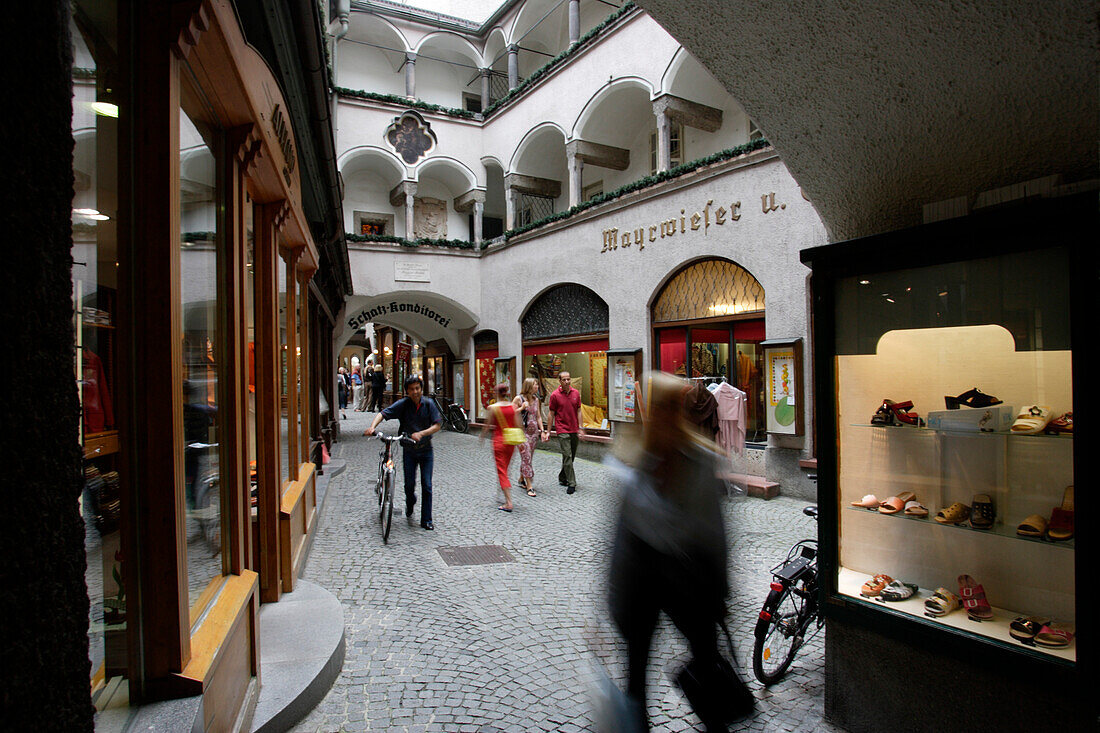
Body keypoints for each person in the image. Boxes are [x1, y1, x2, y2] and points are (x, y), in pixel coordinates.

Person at [608, 371, 740, 731]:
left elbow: (716, 532)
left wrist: (720, 588)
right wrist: (616, 597)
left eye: (671, 405)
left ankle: (717, 723)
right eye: (659, 406)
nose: (665, 413)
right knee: (636, 670)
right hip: (642, 580)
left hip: (690, 577)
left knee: (707, 661)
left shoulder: (700, 459)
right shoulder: (632, 460)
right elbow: (620, 535)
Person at [364, 375, 442, 529]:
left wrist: (422, 434)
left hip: (426, 450)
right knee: (409, 485)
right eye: (412, 389)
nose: (415, 392)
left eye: (417, 388)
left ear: (421, 389)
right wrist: (372, 427)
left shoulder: (429, 404)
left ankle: (427, 520)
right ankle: (410, 502)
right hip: (409, 451)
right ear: (407, 391)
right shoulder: (403, 404)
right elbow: (383, 414)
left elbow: (437, 425)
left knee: (427, 485)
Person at [548, 370, 584, 494]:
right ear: (560, 381)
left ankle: (562, 477)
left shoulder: (576, 393)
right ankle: (572, 483)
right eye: (564, 379)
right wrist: (548, 430)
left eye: (568, 379)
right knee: (567, 455)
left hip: (574, 428)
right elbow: (551, 413)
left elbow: (579, 410)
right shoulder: (555, 395)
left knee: (571, 456)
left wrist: (581, 428)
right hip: (562, 428)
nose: (567, 381)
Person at [488, 382, 520, 512]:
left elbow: (487, 425)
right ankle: (501, 491)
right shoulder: (513, 407)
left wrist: (481, 437)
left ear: (497, 393)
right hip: (510, 442)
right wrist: (521, 443)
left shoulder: (493, 408)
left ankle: (508, 502)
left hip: (499, 442)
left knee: (502, 471)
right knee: (505, 468)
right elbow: (518, 425)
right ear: (506, 393)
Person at [512, 377, 547, 497]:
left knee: (528, 458)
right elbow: (510, 414)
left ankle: (521, 478)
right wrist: (521, 408)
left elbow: (538, 417)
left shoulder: (536, 400)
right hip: (522, 433)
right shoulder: (518, 399)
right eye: (535, 384)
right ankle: (529, 485)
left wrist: (542, 430)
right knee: (526, 457)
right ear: (528, 386)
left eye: (537, 384)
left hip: (534, 434)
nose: (537, 386)